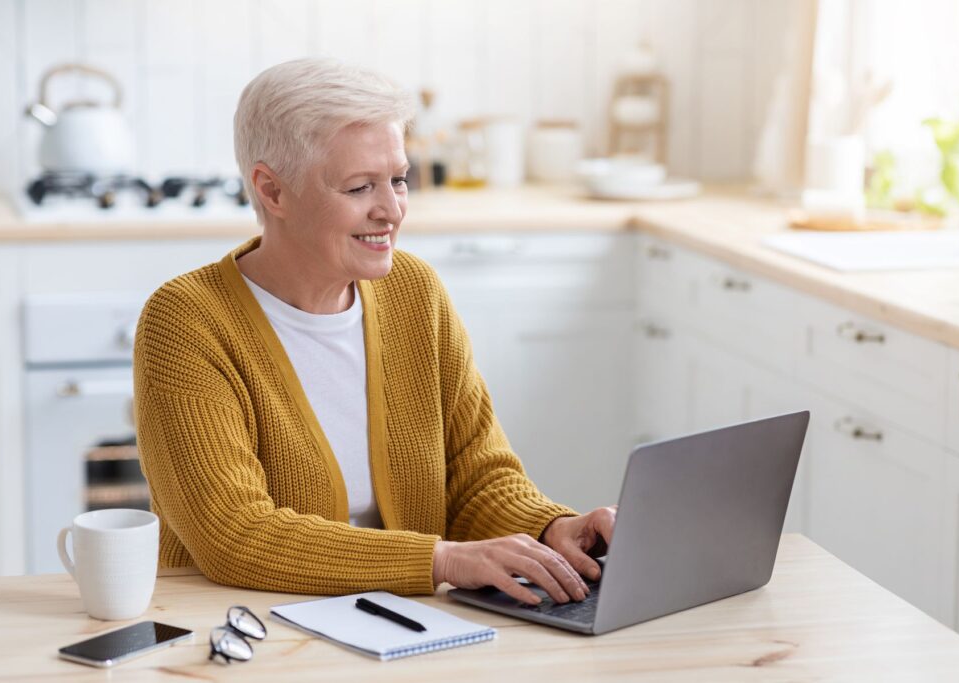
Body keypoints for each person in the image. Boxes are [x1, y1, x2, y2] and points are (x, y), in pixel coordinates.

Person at [134, 58, 615, 607]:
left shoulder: (414, 291)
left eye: (398, 180)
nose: (390, 210)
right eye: (360, 187)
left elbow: (476, 475)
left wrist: (553, 529)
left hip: (401, 619)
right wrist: (443, 560)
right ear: (272, 191)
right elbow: (235, 535)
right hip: (240, 626)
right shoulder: (186, 322)